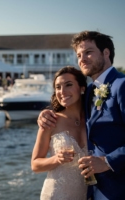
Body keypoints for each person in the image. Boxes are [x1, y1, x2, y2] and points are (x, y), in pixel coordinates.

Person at [37, 31, 125, 200]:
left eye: (88, 52)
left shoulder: (121, 85)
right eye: (79, 55)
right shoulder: (91, 90)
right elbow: (68, 102)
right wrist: (45, 113)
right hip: (91, 190)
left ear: (106, 53)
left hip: (118, 188)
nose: (82, 59)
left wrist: (107, 162)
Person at [31, 66, 87, 200]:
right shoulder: (51, 121)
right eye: (58, 87)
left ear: (82, 88)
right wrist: (57, 159)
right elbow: (35, 164)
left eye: (68, 85)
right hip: (55, 195)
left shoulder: (92, 120)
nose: (62, 91)